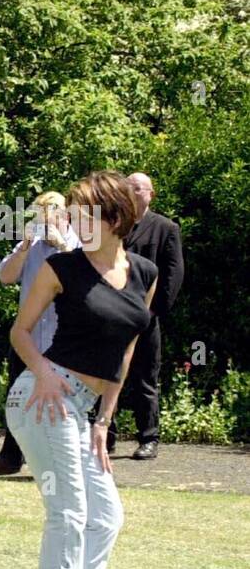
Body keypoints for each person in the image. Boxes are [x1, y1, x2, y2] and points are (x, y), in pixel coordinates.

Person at [6, 170, 157, 569]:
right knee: (69, 517)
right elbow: (21, 332)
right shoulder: (61, 267)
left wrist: (104, 420)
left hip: (85, 410)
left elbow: (126, 348)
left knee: (107, 518)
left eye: (84, 211)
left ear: (115, 218)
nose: (72, 219)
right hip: (42, 398)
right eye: (72, 210)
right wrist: (44, 373)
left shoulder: (143, 273)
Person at [0, 192, 81, 476]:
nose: (45, 218)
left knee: (64, 400)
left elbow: (82, 279)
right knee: (18, 393)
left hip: (62, 336)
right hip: (28, 336)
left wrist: (62, 245)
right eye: (40, 212)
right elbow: (6, 276)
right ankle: (12, 457)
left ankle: (62, 460)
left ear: (66, 215)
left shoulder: (78, 243)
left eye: (51, 211)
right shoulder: (31, 245)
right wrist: (25, 246)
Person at [111, 172, 184, 460]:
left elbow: (173, 274)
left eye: (138, 188)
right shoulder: (114, 225)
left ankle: (148, 438)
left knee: (145, 379)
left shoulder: (165, 228)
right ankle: (107, 438)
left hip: (145, 316)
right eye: (128, 188)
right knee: (108, 375)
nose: (132, 192)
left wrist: (154, 312)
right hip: (112, 315)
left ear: (151, 194)